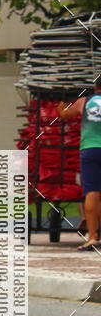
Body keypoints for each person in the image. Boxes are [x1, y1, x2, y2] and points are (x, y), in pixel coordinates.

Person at [58, 76, 101, 251]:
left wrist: (61, 105)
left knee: (92, 192)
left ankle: (92, 237)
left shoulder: (84, 101)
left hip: (90, 150)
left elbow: (64, 115)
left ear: (95, 86)